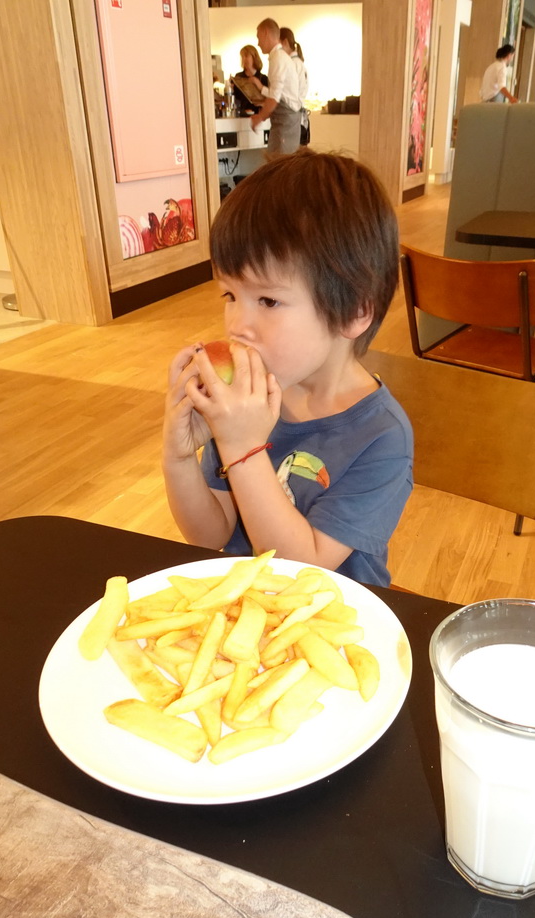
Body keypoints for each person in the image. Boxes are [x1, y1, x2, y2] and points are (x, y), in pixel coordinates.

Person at [162, 150, 413, 587]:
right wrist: (178, 457)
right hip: (245, 610)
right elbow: (210, 534)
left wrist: (242, 446)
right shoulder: (246, 402)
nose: (238, 326)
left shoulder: (382, 437)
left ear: (354, 311)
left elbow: (300, 570)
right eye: (229, 296)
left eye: (269, 301)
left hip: (332, 625)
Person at [250, 18, 303, 155]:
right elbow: (278, 94)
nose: (258, 43)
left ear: (266, 33)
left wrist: (260, 117)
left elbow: (274, 98)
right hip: (284, 121)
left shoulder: (278, 59)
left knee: (281, 167)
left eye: (259, 38)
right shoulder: (279, 57)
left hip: (286, 123)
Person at [280, 25, 310, 145]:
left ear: (285, 42)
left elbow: (289, 94)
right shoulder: (299, 63)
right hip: (300, 118)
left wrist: (263, 90)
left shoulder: (292, 64)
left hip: (294, 117)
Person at [231, 44, 269, 117]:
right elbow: (237, 99)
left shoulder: (263, 78)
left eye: (246, 56)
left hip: (259, 115)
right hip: (242, 115)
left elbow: (270, 99)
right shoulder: (238, 76)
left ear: (254, 57)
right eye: (242, 57)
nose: (244, 59)